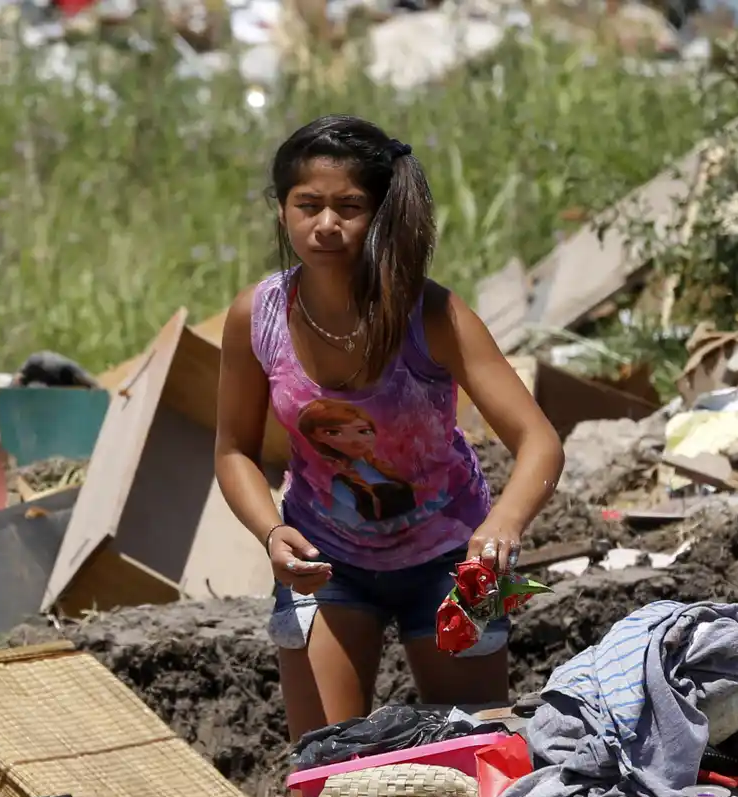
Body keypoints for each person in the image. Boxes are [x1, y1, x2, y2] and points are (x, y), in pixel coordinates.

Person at [215, 114, 565, 741]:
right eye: (308, 205)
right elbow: (235, 451)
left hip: (451, 559)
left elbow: (539, 440)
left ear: (380, 214)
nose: (326, 224)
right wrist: (271, 532)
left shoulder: (431, 315)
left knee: (474, 755)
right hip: (325, 560)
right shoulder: (257, 317)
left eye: (349, 206)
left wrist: (502, 525)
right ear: (282, 211)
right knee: (322, 765)